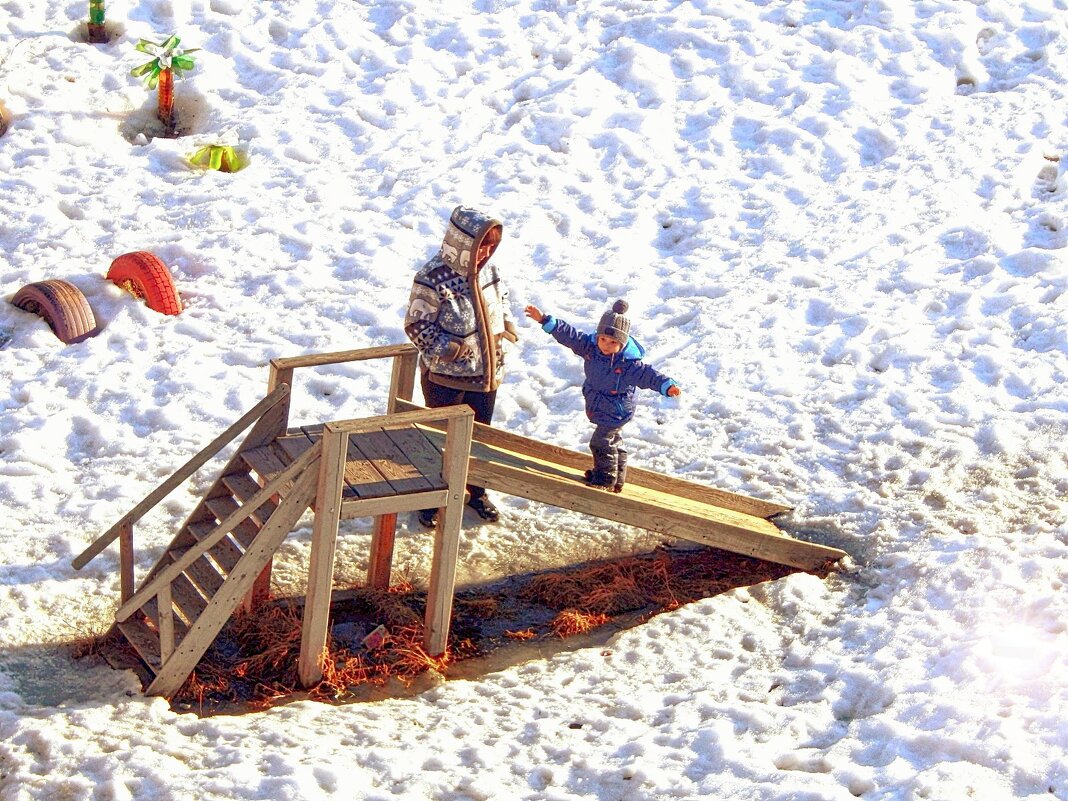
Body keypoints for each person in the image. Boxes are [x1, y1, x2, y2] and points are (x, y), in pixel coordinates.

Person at [404, 206, 518, 527]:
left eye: (491, 245)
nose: (485, 252)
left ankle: (475, 489)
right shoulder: (432, 278)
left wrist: (505, 326)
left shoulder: (490, 272)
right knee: (441, 438)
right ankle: (431, 496)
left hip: (486, 375)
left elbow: (502, 299)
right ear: (461, 242)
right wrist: (451, 349)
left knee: (479, 437)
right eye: (480, 244)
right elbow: (416, 325)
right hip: (446, 378)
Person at [524, 299, 681, 492]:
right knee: (613, 441)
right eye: (603, 339)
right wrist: (546, 321)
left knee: (600, 442)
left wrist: (667, 385)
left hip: (618, 408)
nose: (606, 345)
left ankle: (605, 480)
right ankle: (617, 479)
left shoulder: (628, 364)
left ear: (622, 343)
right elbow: (570, 336)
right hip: (600, 402)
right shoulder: (591, 348)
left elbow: (648, 375)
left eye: (613, 342)